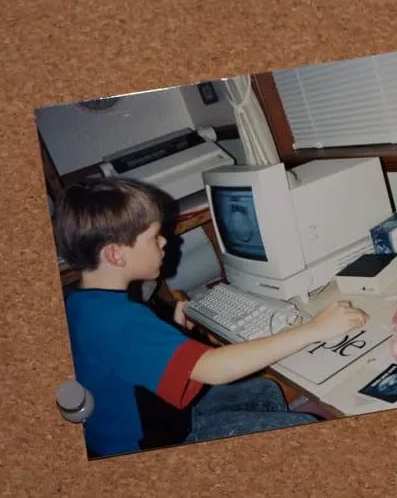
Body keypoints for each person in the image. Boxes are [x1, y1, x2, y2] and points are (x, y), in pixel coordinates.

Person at [53, 177, 369, 458]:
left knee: (265, 392)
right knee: (305, 425)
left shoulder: (83, 302)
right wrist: (315, 329)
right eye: (153, 237)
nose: (165, 241)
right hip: (149, 445)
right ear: (115, 254)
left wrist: (174, 331)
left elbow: (125, 362)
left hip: (139, 422)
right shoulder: (120, 320)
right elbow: (215, 369)